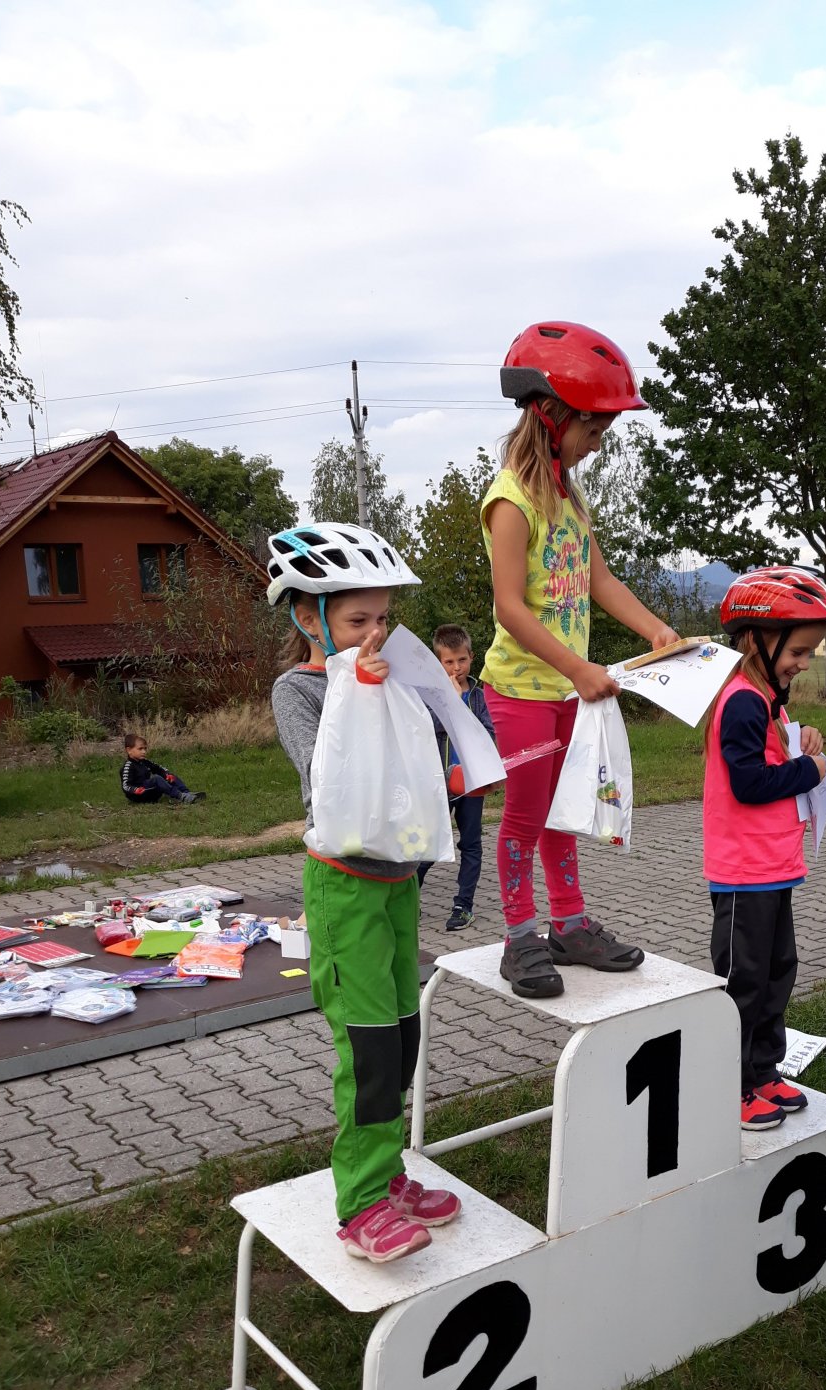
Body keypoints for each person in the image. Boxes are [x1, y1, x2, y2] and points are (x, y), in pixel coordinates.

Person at [268, 522, 463, 1264]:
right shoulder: (299, 690)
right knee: (367, 1046)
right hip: (344, 887)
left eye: (383, 618)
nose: (375, 635)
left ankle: (388, 1174)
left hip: (397, 882)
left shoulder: (391, 679)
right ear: (308, 617)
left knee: (403, 1035)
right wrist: (361, 691)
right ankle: (359, 1205)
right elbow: (328, 776)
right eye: (357, 621)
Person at [482, 320, 680, 999]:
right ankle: (519, 936)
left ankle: (568, 925)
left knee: (564, 812)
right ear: (550, 414)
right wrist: (576, 668)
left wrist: (655, 630)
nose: (598, 444)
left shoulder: (568, 495)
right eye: (593, 429)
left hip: (568, 692)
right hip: (522, 693)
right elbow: (510, 607)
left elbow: (600, 581)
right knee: (525, 817)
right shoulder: (511, 501)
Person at [704, 568, 826, 1129]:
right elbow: (748, 783)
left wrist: (801, 740)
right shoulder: (742, 701)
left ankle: (763, 1070)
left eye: (810, 653)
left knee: (776, 972)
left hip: (773, 868)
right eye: (799, 652)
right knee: (742, 983)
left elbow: (771, 755)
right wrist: (810, 771)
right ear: (759, 642)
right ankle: (731, 1086)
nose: (804, 663)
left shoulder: (768, 701)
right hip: (744, 873)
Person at [417, 623, 495, 931]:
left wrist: (462, 703)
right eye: (448, 662)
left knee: (471, 845)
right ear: (438, 663)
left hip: (471, 784)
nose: (456, 667)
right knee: (427, 845)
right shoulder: (429, 696)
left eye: (462, 660)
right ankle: (408, 898)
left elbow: (488, 733)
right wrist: (449, 700)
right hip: (437, 783)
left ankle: (464, 905)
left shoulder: (479, 696)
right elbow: (426, 729)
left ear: (471, 657)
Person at [119, 734, 205, 805]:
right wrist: (135, 790)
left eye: (145, 748)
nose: (144, 752)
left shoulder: (144, 762)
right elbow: (125, 785)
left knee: (169, 775)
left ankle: (186, 793)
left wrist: (166, 774)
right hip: (139, 795)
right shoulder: (128, 766)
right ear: (129, 750)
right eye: (140, 749)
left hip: (150, 792)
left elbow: (158, 768)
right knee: (156, 779)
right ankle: (180, 796)